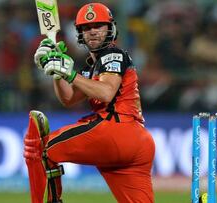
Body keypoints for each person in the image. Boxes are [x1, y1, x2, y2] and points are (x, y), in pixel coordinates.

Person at [23, 3, 155, 203]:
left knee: (42, 150)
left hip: (117, 130)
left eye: (98, 26)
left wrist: (70, 73)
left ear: (110, 29)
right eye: (86, 28)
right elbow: (68, 99)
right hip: (137, 144)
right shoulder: (92, 67)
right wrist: (56, 70)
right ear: (80, 34)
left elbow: (106, 93)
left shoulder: (113, 54)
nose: (92, 32)